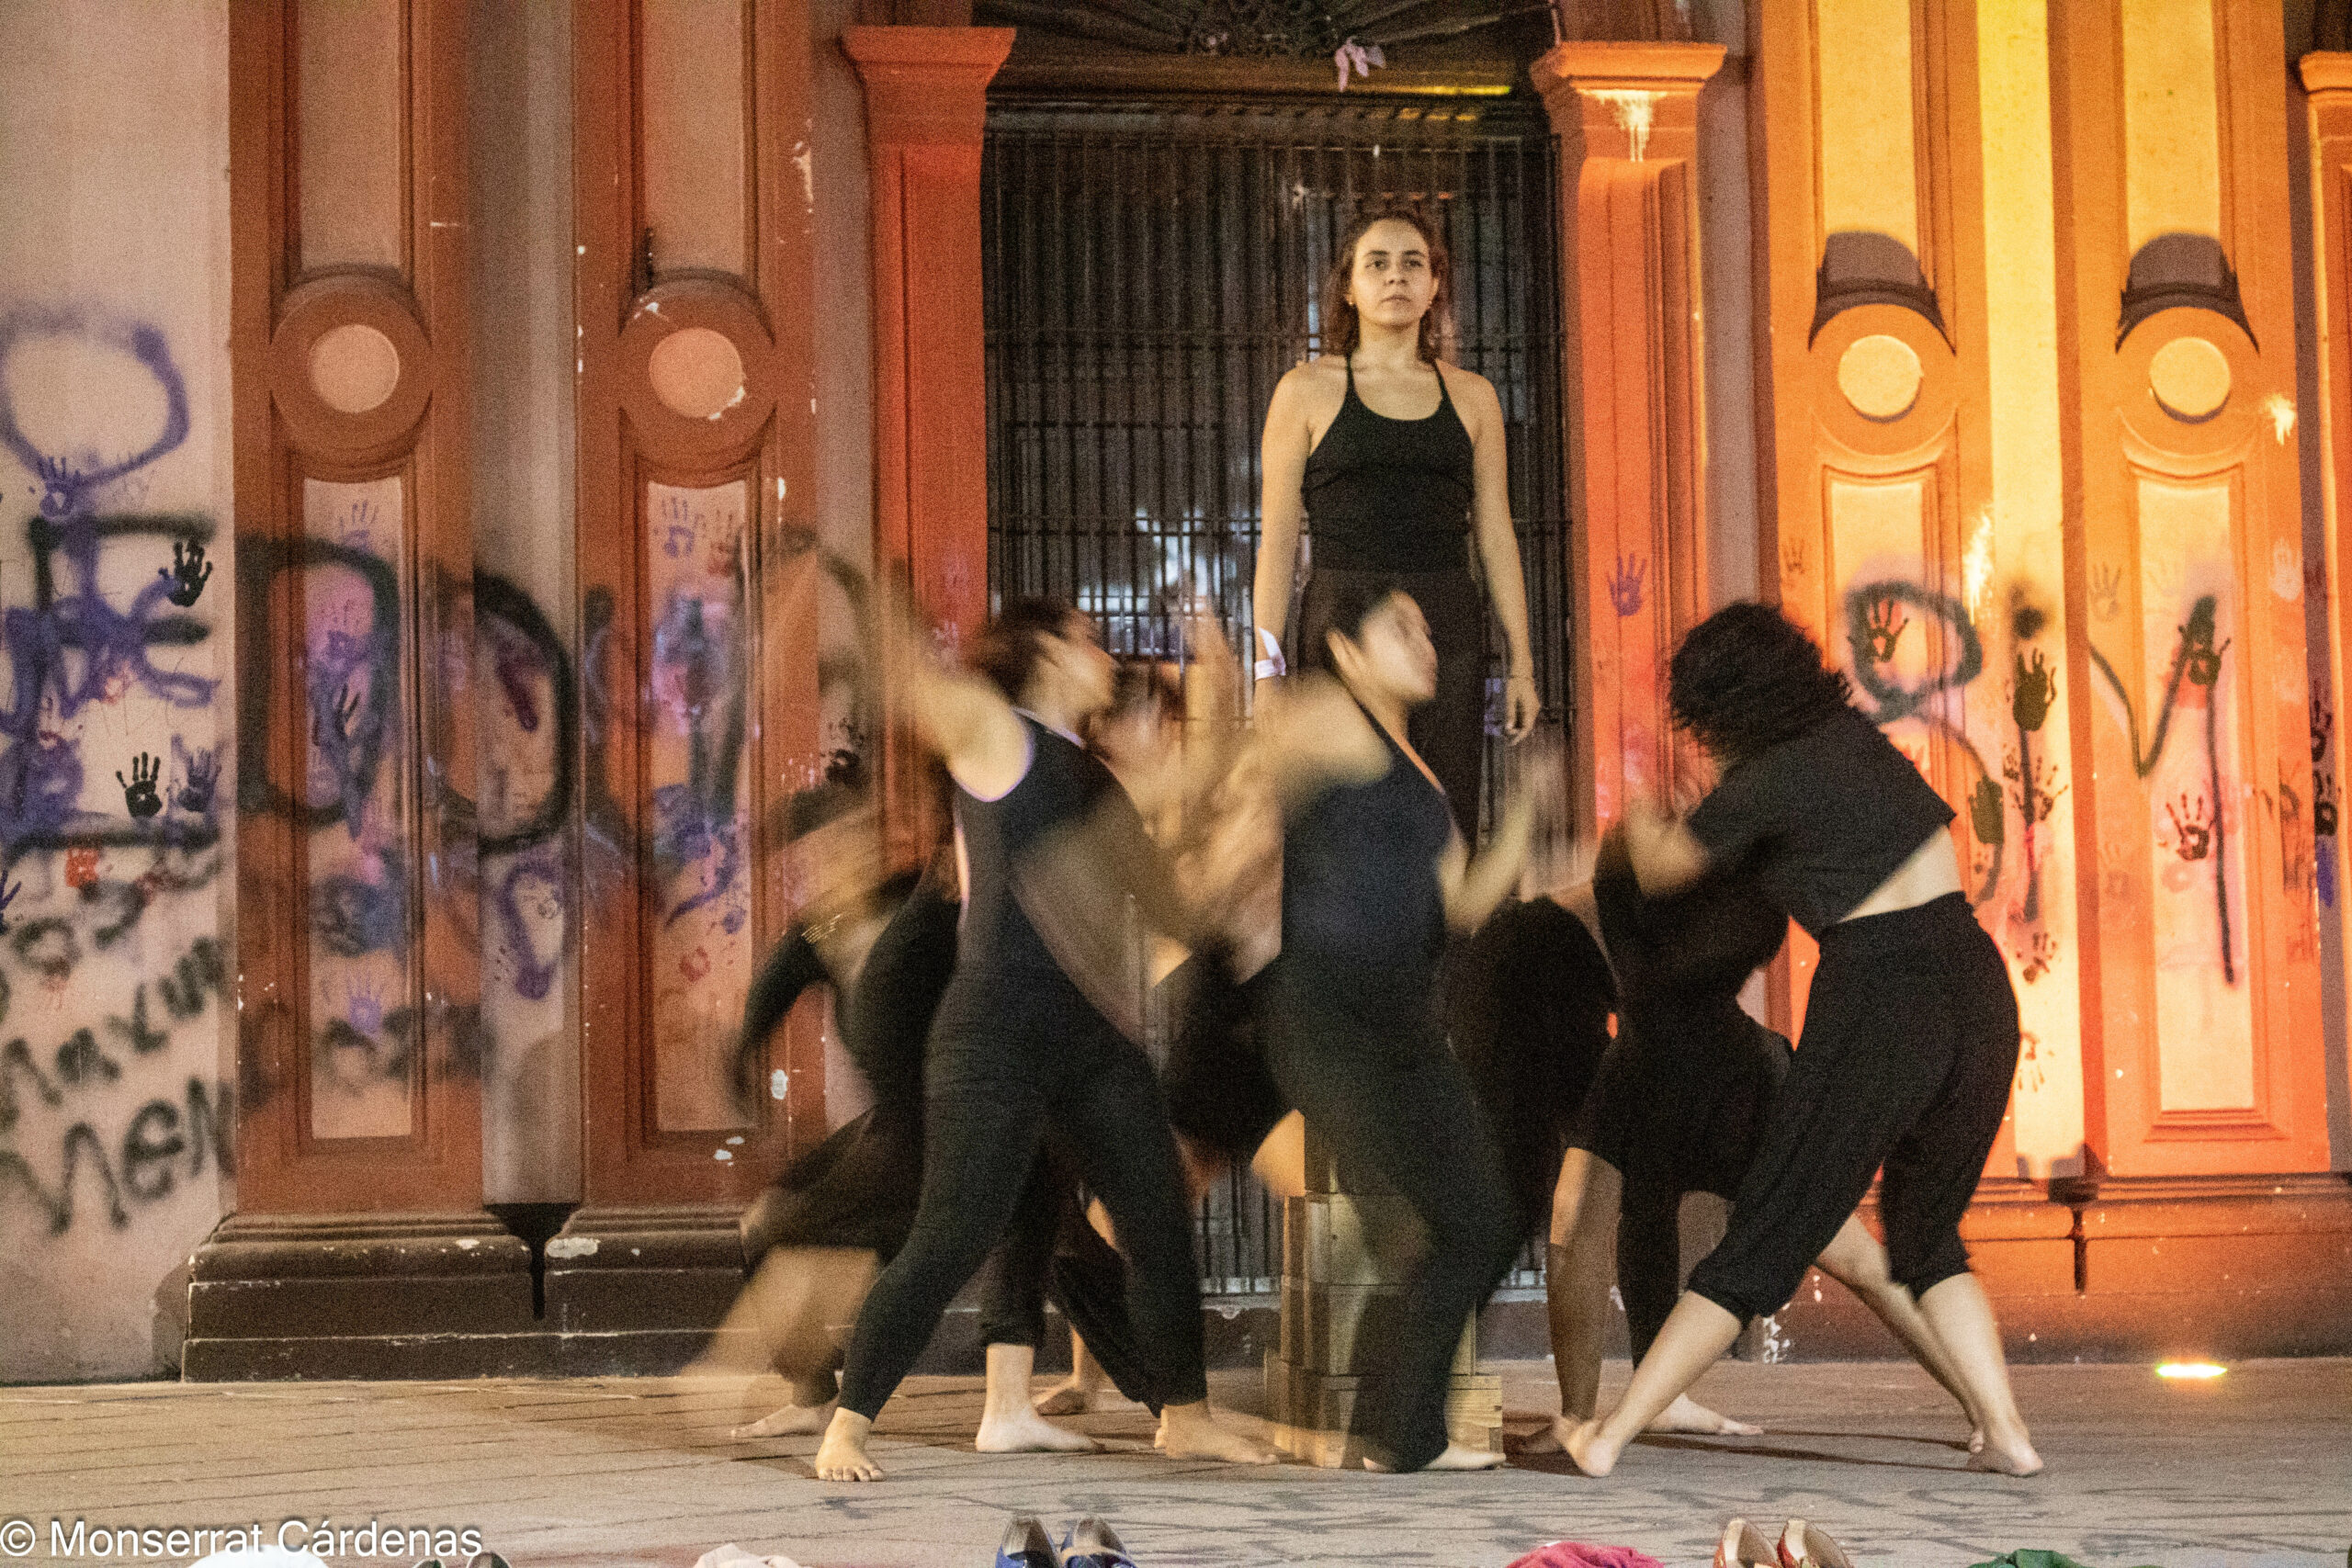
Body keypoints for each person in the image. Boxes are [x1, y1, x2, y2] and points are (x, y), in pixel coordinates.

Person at [1562, 603, 2041, 1479]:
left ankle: (1609, 1432)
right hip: (1976, 984)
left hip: (1881, 992)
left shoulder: (1768, 777)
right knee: (1929, 1240)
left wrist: (1634, 809)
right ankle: (2006, 1431)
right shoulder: (1854, 740)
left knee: (1767, 1234)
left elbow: (1667, 868)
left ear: (1723, 709)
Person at [811, 596, 1276, 1483]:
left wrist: (1214, 687)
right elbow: (926, 691)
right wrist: (862, 591)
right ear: (1048, 651)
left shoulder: (1097, 776)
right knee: (954, 1231)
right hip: (995, 1032)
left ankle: (1185, 1414)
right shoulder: (1003, 737)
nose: (1107, 652)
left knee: (1158, 1213)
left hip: (1093, 1040)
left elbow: (1177, 885)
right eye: (1090, 637)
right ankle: (850, 1421)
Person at [1536, 824, 1984, 1451]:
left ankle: (1985, 1406)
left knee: (1859, 1261)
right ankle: (1580, 1416)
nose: (1651, 821)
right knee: (1577, 1220)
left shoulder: (1725, 889)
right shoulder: (1616, 880)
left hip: (1741, 1085)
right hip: (1639, 1077)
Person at [1252, 578, 1546, 1472]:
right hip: (1323, 1017)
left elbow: (1459, 901)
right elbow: (1240, 786)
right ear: (1343, 651)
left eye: (1427, 627)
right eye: (1399, 626)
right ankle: (1394, 1425)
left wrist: (1528, 814)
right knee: (1435, 1223)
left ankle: (1398, 1428)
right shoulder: (1324, 716)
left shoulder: (1420, 778)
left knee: (1485, 1220)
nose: (1425, 642)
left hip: (1404, 1028)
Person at [1256, 198, 1540, 839]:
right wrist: (1265, 671)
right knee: (1337, 808)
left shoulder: (1473, 396)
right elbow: (1275, 545)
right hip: (1342, 614)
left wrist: (1521, 661)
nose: (1395, 277)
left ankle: (1445, 940)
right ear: (1349, 289)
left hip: (1446, 616)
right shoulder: (1304, 389)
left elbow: (1495, 533)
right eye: (1377, 263)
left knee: (1445, 807)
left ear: (1435, 285)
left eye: (1413, 263)